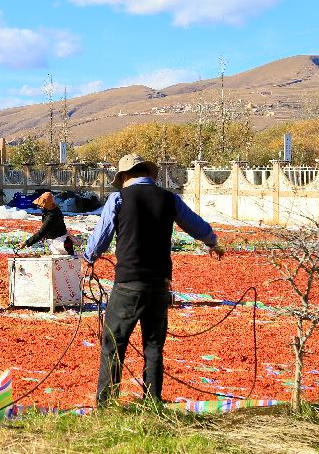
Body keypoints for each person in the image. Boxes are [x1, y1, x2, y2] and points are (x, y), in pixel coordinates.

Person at [83, 154, 225, 407]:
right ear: (148, 174)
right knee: (153, 345)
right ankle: (152, 402)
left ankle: (107, 406)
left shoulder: (119, 198)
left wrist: (89, 257)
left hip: (128, 283)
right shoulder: (169, 199)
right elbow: (196, 225)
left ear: (125, 177)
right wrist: (212, 242)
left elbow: (101, 237)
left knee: (113, 343)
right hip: (160, 284)